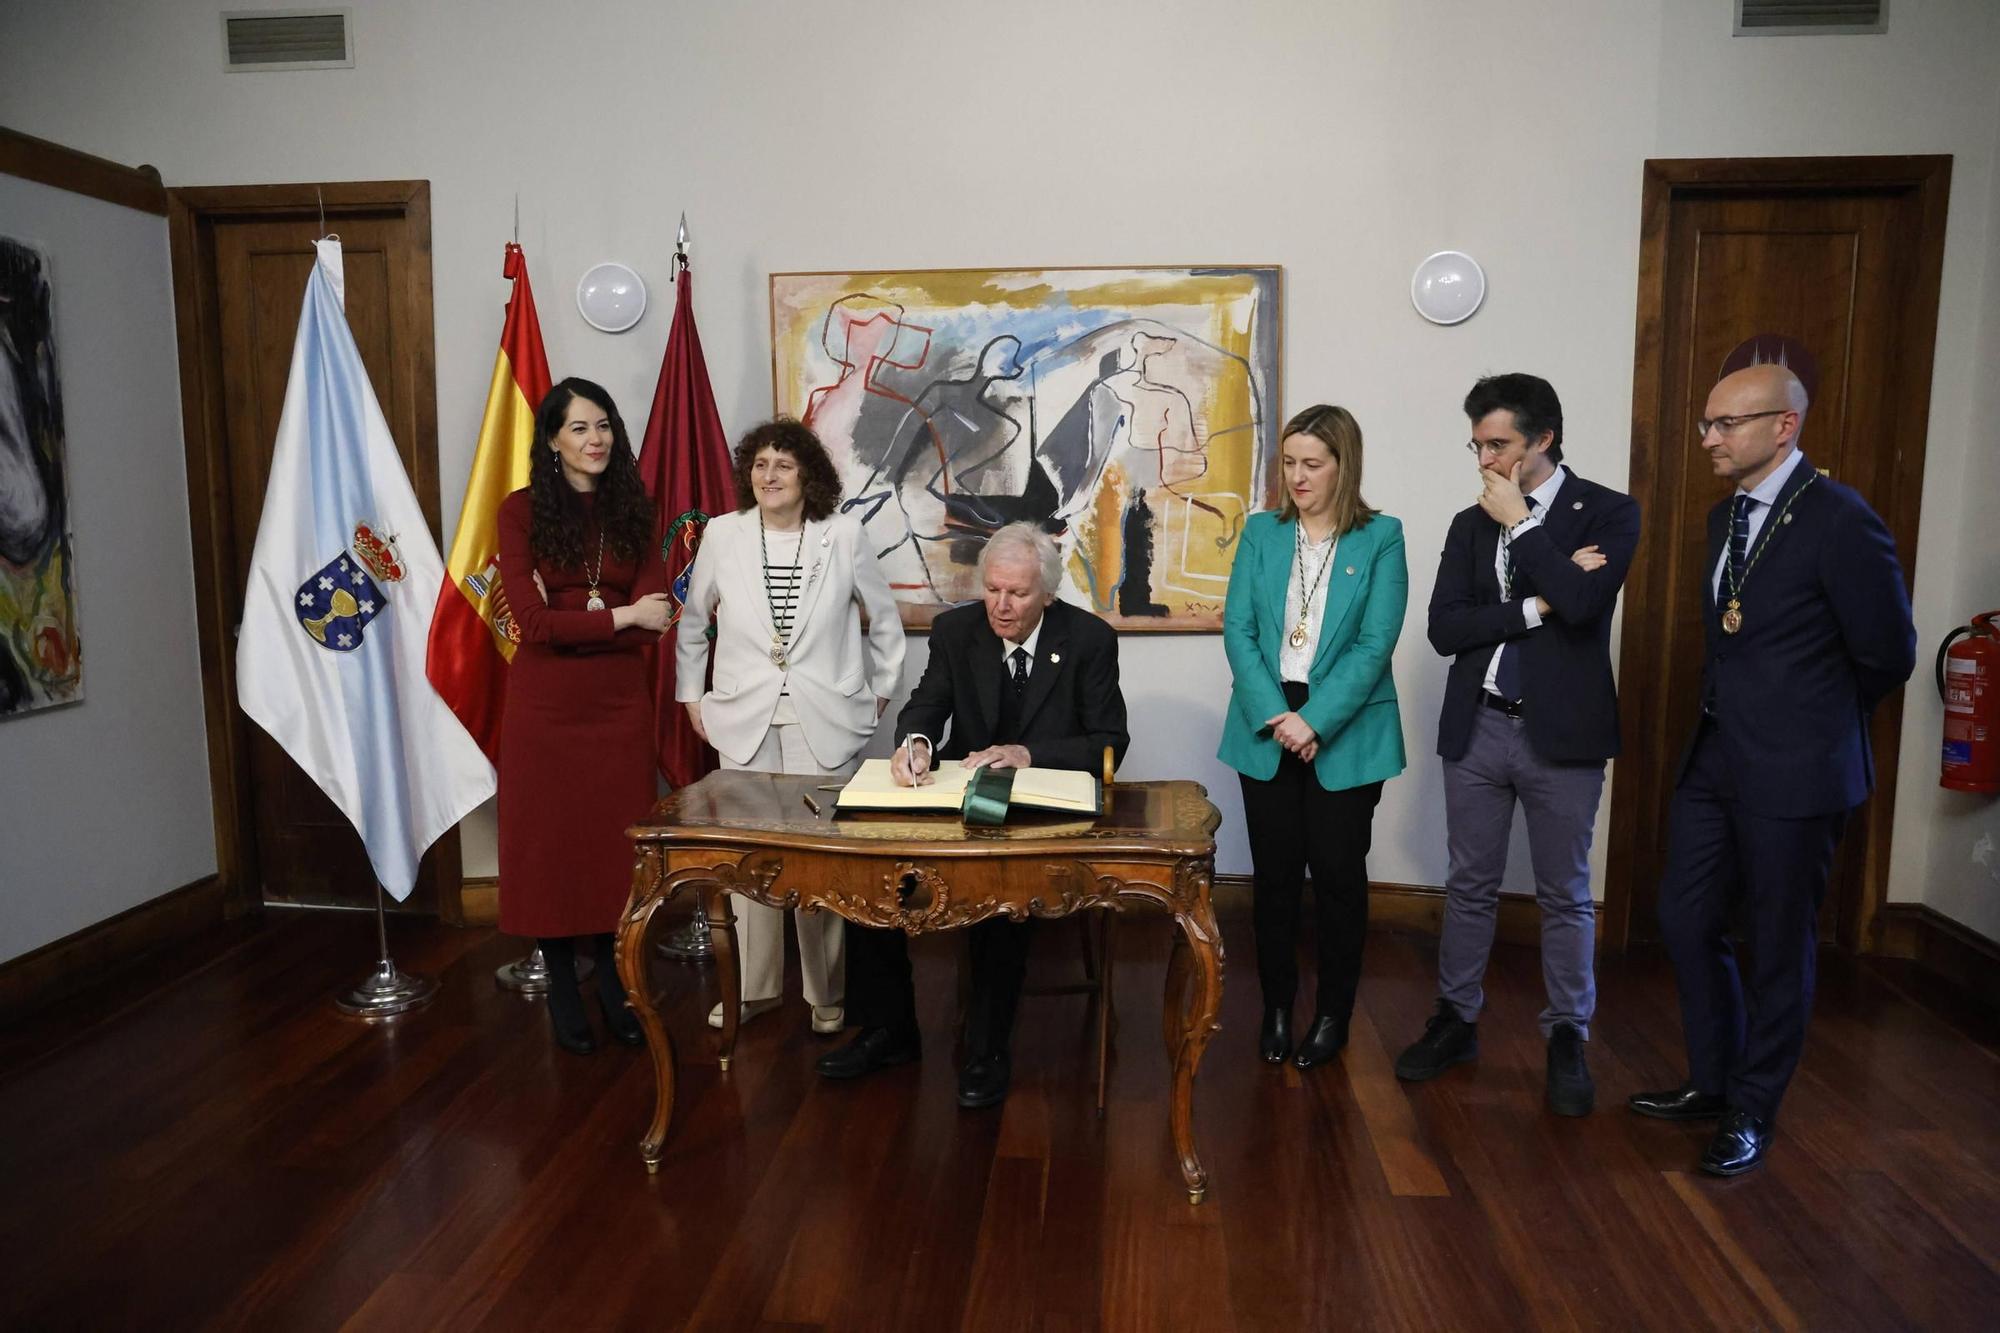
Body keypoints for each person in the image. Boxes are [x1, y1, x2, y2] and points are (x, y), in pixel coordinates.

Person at [1629, 363, 1914, 1175]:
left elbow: (1888, 652)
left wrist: (1810, 722)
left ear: (1783, 426)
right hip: (1718, 756)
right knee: (1684, 916)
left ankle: (1754, 1107)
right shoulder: (1725, 519)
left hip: (1799, 769)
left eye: (1726, 424)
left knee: (1780, 941)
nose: (1709, 439)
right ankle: (1713, 1081)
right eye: (1705, 424)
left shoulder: (1839, 517)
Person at [814, 521, 1130, 1109]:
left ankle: (986, 1049)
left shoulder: (1087, 638)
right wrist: (915, 745)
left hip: (1040, 810)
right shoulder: (957, 630)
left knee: (997, 898)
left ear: (1047, 594)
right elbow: (927, 705)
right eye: (992, 589)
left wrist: (1027, 753)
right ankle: (889, 1030)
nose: (1000, 606)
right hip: (961, 798)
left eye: (1017, 594)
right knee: (870, 878)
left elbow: (1110, 740)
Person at [1393, 374, 1640, 1116]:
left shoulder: (1607, 511)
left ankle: (1568, 1034)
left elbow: (1588, 602)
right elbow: (1446, 629)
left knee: (1565, 891)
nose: (1485, 460)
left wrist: (1527, 531)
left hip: (1562, 733)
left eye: (1498, 443)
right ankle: (1455, 1019)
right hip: (1481, 723)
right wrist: (1537, 600)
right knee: (1468, 883)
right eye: (1477, 444)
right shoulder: (1471, 524)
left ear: (1543, 439)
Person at [676, 417, 905, 1035]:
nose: (768, 476)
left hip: (824, 717)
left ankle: (826, 992)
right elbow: (694, 624)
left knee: (820, 859)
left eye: (782, 464)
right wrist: (691, 697)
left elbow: (884, 622)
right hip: (742, 716)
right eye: (758, 465)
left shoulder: (844, 534)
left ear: (808, 474)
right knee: (750, 859)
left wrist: (879, 691)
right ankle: (754, 988)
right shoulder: (722, 536)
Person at [1218, 405, 1407, 1070]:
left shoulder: (1381, 536)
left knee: (1337, 878)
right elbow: (1237, 630)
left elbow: (1376, 642)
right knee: (1272, 879)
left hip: (1344, 726)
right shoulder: (1262, 533)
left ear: (1343, 465)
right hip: (1268, 721)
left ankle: (1332, 1015)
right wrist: (1279, 715)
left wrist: (1315, 719)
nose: (1297, 476)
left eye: (1312, 464)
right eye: (1289, 462)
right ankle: (1275, 1008)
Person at [496, 378, 673, 1055]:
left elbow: (659, 621)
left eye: (603, 425)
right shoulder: (521, 513)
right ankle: (564, 983)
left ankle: (612, 982)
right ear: (550, 439)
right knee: (550, 845)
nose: (595, 438)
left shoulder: (637, 509)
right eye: (578, 427)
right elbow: (534, 625)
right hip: (545, 708)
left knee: (611, 847)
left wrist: (577, 616)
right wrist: (620, 612)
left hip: (617, 705)